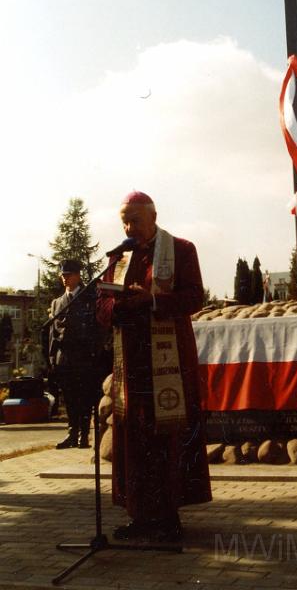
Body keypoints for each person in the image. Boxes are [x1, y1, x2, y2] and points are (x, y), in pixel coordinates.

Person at [96, 191, 211, 543]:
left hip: (169, 359)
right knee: (133, 437)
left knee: (166, 435)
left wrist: (153, 299)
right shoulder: (118, 256)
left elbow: (194, 297)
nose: (130, 227)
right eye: (124, 221)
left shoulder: (181, 249)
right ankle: (139, 515)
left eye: (135, 220)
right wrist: (118, 306)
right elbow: (100, 304)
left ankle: (168, 515)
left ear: (154, 216)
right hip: (131, 361)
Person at [49, 259, 100, 448]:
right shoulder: (57, 303)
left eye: (68, 275)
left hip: (85, 358)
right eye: (62, 275)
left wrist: (95, 352)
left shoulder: (90, 298)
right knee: (69, 398)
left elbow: (98, 329)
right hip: (64, 359)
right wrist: (52, 358)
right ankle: (72, 433)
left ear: (78, 276)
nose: (64, 278)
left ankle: (84, 435)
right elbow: (52, 334)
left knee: (85, 397)